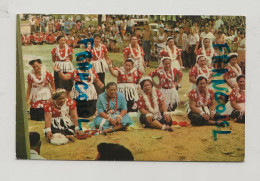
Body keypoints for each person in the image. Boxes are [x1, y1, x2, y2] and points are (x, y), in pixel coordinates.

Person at [54, 51, 104, 118]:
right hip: (78, 92)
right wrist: (59, 71)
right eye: (79, 62)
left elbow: (96, 80)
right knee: (79, 110)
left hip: (90, 92)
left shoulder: (92, 71)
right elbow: (65, 77)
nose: (81, 63)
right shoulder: (74, 71)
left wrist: (100, 84)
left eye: (83, 61)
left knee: (90, 109)